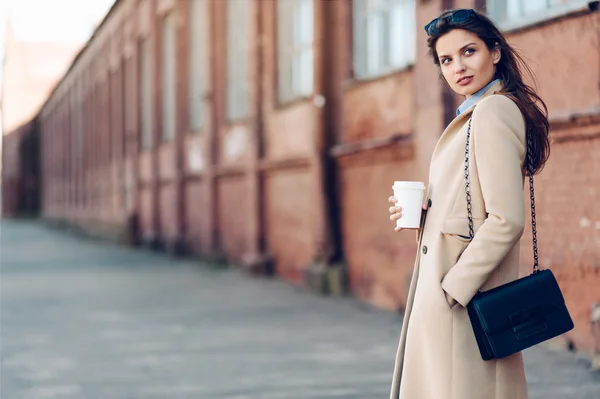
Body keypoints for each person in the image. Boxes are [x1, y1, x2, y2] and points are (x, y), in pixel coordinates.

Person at [387, 8, 550, 399]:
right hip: (454, 293)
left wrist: (454, 289)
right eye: (446, 59)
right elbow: (474, 205)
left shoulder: (493, 111)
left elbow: (506, 219)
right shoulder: (473, 113)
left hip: (463, 300)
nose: (457, 66)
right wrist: (428, 214)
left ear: (495, 52)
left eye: (468, 52)